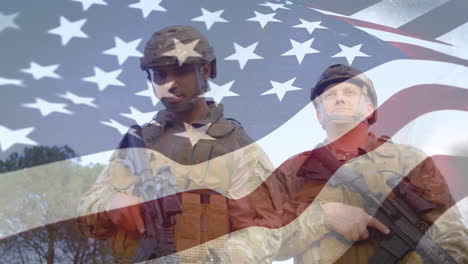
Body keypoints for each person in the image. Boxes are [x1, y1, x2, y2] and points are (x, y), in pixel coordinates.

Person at [77, 25, 282, 264]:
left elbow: (264, 231)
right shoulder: (140, 145)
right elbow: (87, 212)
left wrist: (216, 259)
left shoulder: (236, 146)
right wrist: (111, 203)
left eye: (180, 71)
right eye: (160, 75)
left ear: (205, 71)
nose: (170, 84)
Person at [272, 64, 467, 263]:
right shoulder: (294, 170)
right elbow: (258, 240)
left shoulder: (408, 159)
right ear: (319, 115)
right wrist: (325, 216)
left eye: (349, 92)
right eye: (330, 95)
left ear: (369, 109)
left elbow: (451, 232)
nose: (339, 98)